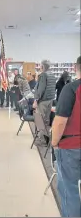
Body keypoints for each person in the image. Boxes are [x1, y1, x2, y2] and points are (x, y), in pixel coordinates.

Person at [51, 56, 81, 217]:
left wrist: (55, 143)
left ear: (76, 67)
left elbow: (60, 122)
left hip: (71, 147)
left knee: (70, 190)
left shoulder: (70, 89)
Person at [33, 60, 56, 144]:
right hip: (50, 100)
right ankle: (46, 138)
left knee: (40, 120)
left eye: (40, 66)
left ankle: (41, 139)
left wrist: (35, 100)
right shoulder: (52, 75)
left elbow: (40, 90)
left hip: (42, 101)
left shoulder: (43, 75)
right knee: (46, 120)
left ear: (42, 67)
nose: (39, 67)